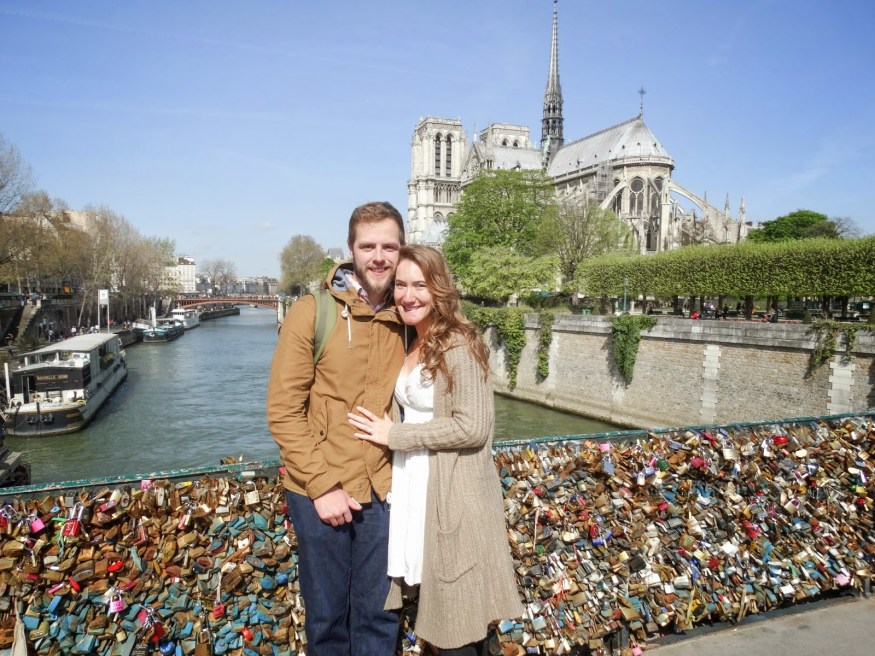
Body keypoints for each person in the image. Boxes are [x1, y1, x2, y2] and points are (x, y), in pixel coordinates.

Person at [348, 245, 522, 655]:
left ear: (440, 289)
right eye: (402, 285)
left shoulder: (460, 344)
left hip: (452, 500)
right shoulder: (413, 339)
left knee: (454, 625)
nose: (409, 295)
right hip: (418, 493)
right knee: (443, 621)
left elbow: (473, 427)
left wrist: (395, 436)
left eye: (420, 286)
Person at [266, 201, 408, 655]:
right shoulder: (312, 313)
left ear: (401, 250)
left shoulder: (409, 318)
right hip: (319, 491)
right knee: (327, 623)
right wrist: (324, 485)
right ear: (351, 250)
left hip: (384, 491)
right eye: (369, 246)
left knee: (381, 620)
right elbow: (284, 411)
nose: (379, 256)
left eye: (389, 246)